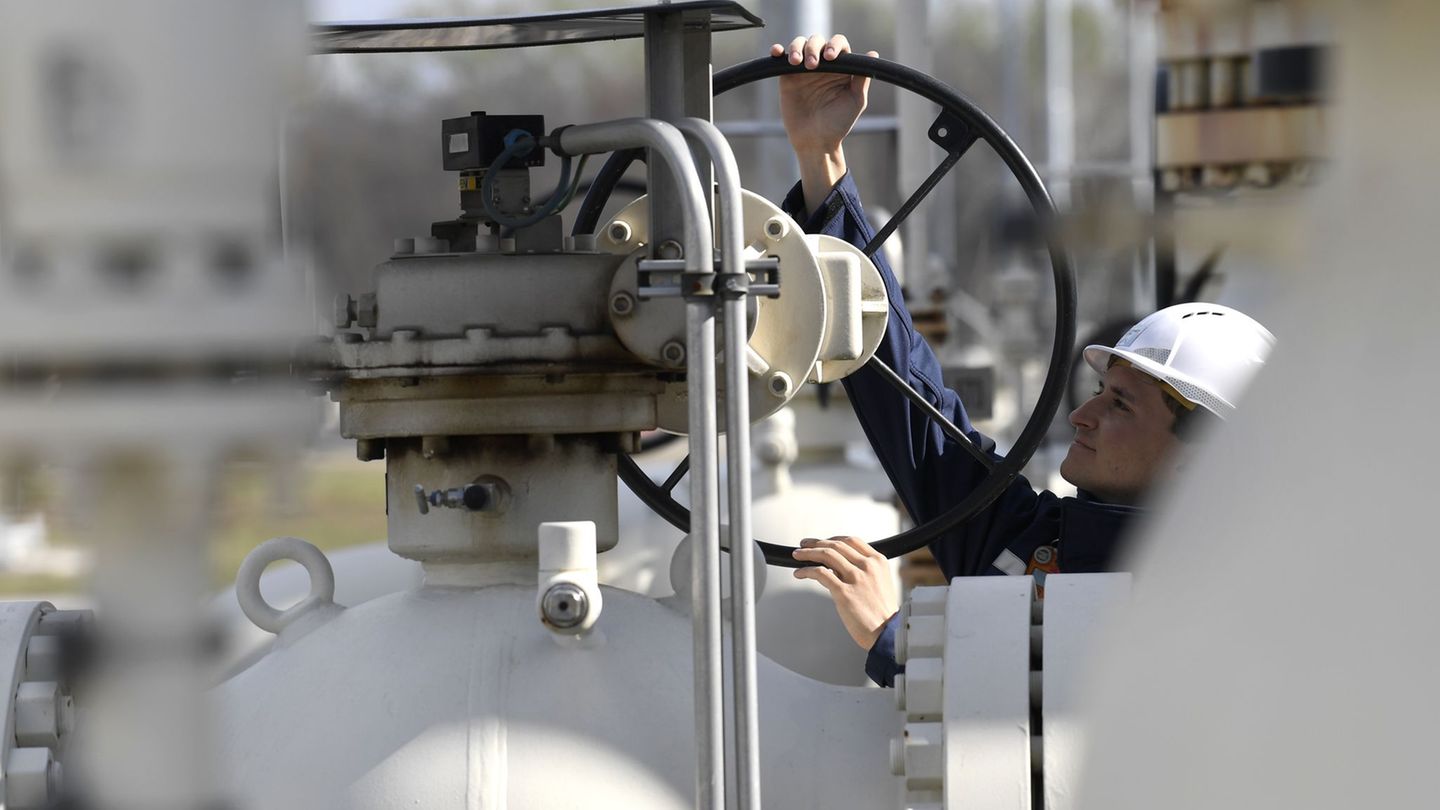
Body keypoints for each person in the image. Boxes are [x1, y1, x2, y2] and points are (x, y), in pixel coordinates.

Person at [772, 35, 1276, 687]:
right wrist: (823, 157)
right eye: (1102, 389)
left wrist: (894, 637)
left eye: (1120, 403)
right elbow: (907, 391)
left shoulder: (1204, 614)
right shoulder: (1033, 541)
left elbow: (1053, 745)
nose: (1084, 413)